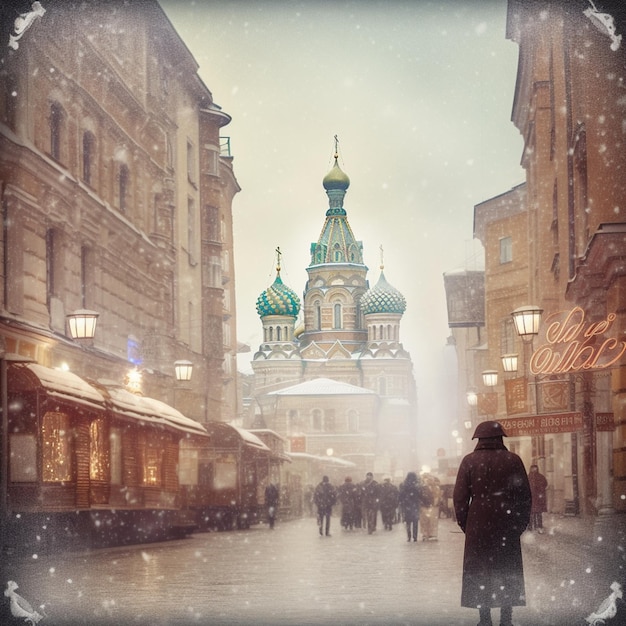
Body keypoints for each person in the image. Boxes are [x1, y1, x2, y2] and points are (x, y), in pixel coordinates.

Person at [453, 420, 532, 626]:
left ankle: (484, 618)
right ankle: (506, 618)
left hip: (478, 524)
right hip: (506, 522)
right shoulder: (513, 460)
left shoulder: (469, 461)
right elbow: (524, 495)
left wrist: (467, 525)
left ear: (478, 439)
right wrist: (519, 524)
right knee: (507, 569)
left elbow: (460, 498)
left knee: (481, 572)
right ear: (500, 438)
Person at [398, 471, 421, 542]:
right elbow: (419, 495)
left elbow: (401, 495)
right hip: (415, 506)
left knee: (408, 522)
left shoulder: (404, 485)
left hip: (406, 505)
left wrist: (402, 502)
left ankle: (409, 536)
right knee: (415, 522)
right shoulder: (417, 485)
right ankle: (415, 537)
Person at [419, 474, 441, 541]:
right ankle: (425, 534)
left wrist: (436, 503)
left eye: (431, 480)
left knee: (433, 521)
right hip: (425, 507)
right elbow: (420, 497)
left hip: (434, 507)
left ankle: (432, 534)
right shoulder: (422, 488)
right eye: (429, 480)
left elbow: (438, 497)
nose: (430, 481)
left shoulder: (437, 488)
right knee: (425, 521)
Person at [528, 464, 548, 534]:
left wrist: (540, 491)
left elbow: (545, 484)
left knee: (537, 513)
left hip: (537, 498)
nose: (534, 470)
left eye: (535, 468)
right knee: (532, 513)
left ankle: (538, 526)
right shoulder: (528, 477)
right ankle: (532, 526)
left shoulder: (540, 477)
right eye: (533, 468)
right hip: (532, 498)